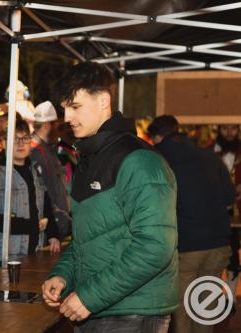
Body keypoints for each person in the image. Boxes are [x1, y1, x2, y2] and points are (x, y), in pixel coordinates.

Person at [42, 62, 178, 333]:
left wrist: (90, 296)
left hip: (133, 313)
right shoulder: (90, 159)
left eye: (75, 106)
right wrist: (63, 274)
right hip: (99, 307)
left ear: (103, 100)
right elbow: (87, 239)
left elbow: (155, 247)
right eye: (64, 108)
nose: (66, 116)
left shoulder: (139, 160)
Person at [148, 115, 235, 333]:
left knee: (182, 311)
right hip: (217, 245)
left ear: (157, 137)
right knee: (205, 306)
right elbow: (229, 196)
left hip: (184, 246)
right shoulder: (210, 157)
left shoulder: (158, 159)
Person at [0, 119, 60, 265]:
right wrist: (31, 226)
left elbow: (46, 205)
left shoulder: (35, 171)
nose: (20, 143)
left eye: (25, 138)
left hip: (34, 252)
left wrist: (52, 234)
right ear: (5, 142)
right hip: (4, 257)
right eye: (15, 139)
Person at [30, 101, 71, 238]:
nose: (58, 131)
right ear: (47, 125)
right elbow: (46, 189)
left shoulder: (47, 149)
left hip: (57, 221)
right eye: (56, 126)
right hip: (51, 224)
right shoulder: (36, 152)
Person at [214, 124, 241, 306]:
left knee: (233, 255)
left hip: (237, 212)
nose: (230, 133)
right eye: (225, 129)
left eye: (234, 129)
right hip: (213, 211)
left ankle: (229, 299)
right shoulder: (209, 151)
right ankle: (212, 298)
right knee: (214, 256)